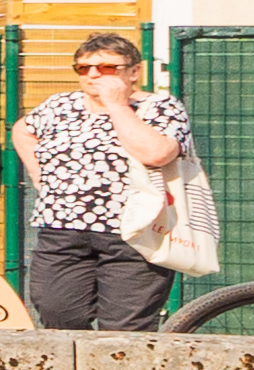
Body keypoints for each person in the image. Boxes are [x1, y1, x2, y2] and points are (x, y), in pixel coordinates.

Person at [13, 30, 197, 330]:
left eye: (107, 68)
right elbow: (22, 130)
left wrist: (117, 105)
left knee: (124, 329)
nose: (93, 75)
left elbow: (157, 154)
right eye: (83, 68)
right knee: (57, 314)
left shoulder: (161, 108)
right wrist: (39, 175)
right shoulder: (59, 106)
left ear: (134, 71)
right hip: (62, 231)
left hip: (136, 234)